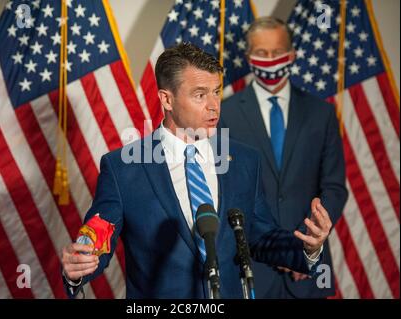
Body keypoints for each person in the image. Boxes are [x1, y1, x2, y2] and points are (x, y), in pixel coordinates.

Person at [61, 42, 333, 299]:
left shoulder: (244, 160)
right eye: (200, 95)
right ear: (167, 100)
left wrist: (309, 247)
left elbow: (260, 236)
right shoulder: (124, 169)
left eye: (216, 91)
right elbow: (98, 240)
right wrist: (79, 268)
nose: (214, 105)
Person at [219, 17, 348, 298]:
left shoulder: (321, 114)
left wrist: (301, 247)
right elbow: (223, 192)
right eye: (262, 54)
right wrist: (276, 249)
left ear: (292, 54)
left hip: (309, 268)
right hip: (249, 269)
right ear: (248, 57)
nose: (270, 60)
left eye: (277, 52)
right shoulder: (223, 116)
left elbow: (334, 188)